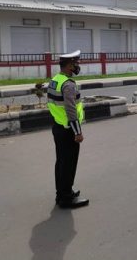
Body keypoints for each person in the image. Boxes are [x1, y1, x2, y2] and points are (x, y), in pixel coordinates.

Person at [47, 50, 89, 209]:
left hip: (57, 126)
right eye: (76, 63)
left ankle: (64, 191)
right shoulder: (68, 84)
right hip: (68, 130)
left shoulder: (55, 80)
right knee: (69, 163)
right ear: (70, 65)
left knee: (61, 162)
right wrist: (77, 132)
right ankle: (65, 198)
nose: (77, 66)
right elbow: (71, 110)